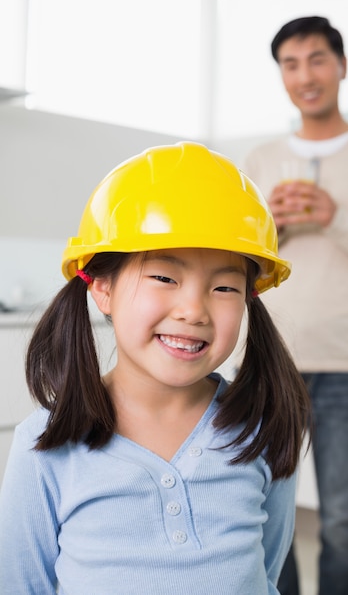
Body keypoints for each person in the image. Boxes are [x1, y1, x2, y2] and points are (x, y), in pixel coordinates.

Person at [0, 141, 310, 595]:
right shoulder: (45, 445)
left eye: (225, 287)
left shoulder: (261, 428)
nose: (193, 310)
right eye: (165, 277)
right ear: (101, 287)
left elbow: (266, 573)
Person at [243, 16, 348, 595]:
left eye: (317, 59)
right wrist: (276, 229)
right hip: (272, 364)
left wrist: (334, 218)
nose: (304, 76)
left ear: (341, 65)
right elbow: (240, 265)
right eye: (290, 65)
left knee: (342, 520)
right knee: (270, 517)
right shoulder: (262, 159)